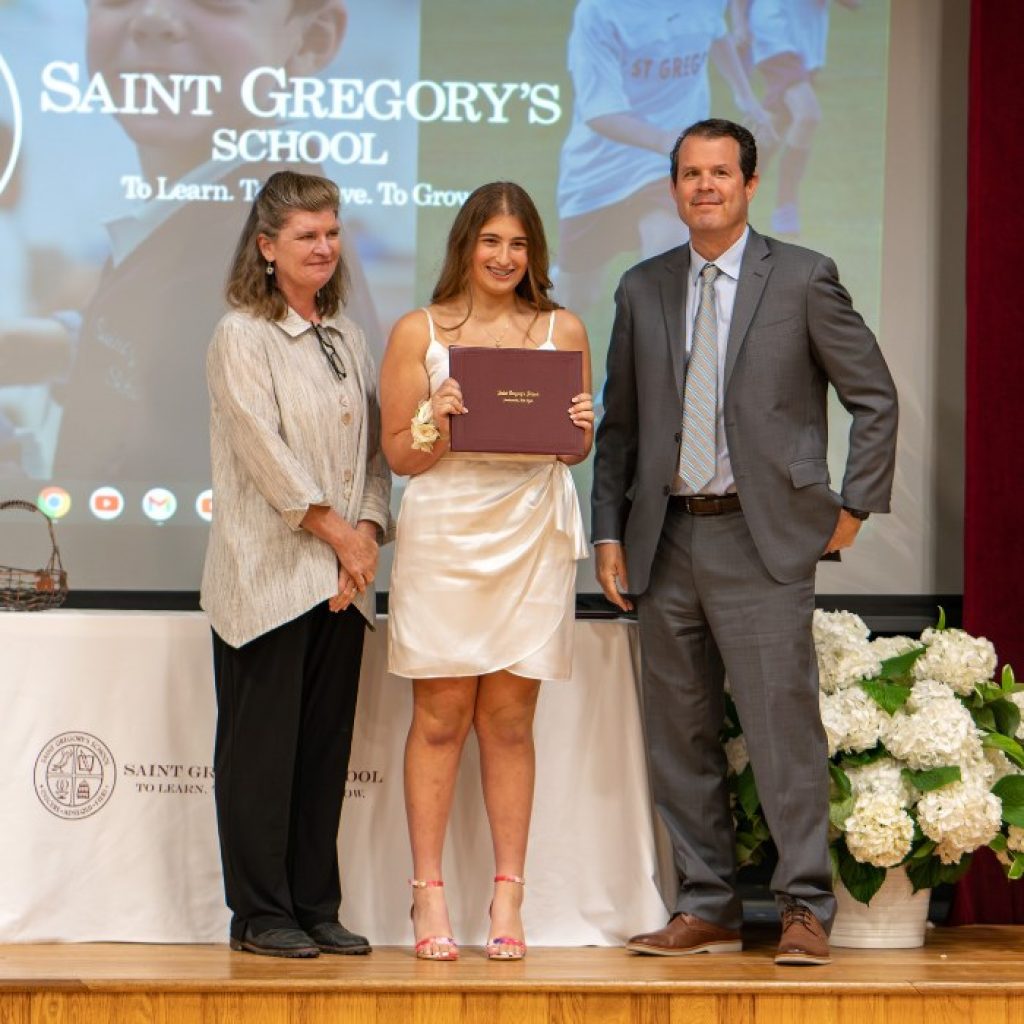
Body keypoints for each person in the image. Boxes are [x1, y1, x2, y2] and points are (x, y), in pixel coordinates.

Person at [592, 118, 897, 966]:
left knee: (780, 730)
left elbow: (873, 395)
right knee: (678, 736)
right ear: (675, 187)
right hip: (665, 541)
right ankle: (708, 906)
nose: (705, 187)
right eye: (690, 174)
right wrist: (608, 531)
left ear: (750, 184)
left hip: (763, 540)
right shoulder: (641, 287)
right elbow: (620, 426)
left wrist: (855, 505)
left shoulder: (801, 278)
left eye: (721, 173)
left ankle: (803, 906)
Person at [379, 182, 593, 961]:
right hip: (445, 532)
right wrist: (437, 411)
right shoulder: (418, 332)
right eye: (491, 241)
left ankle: (509, 893)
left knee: (508, 721)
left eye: (519, 244)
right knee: (439, 718)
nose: (504, 258)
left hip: (531, 530)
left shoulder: (562, 327)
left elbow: (571, 449)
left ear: (533, 253)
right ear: (465, 245)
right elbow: (402, 456)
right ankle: (426, 893)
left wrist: (579, 431)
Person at [200, 170, 391, 959]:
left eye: (332, 233)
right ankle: (260, 914)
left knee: (322, 754)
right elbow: (263, 453)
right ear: (267, 246)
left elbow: (375, 451)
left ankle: (315, 904)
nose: (323, 247)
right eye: (306, 235)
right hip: (266, 580)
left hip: (342, 584)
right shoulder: (240, 335)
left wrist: (370, 530)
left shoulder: (346, 335)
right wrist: (338, 535)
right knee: (262, 757)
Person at [555, 0, 774, 320]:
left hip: (672, 166)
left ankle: (635, 368)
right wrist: (666, 140)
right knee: (577, 296)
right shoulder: (600, 11)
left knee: (665, 274)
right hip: (600, 168)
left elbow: (714, 32)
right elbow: (599, 114)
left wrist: (746, 97)